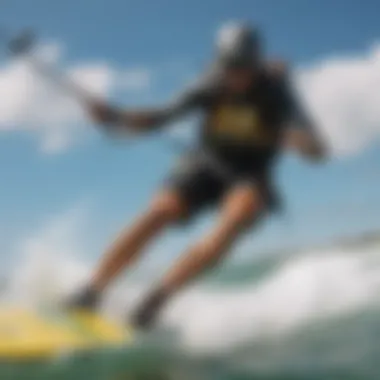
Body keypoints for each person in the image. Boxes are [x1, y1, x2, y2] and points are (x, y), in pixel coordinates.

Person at [68, 21, 326, 329]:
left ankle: (155, 302)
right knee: (160, 211)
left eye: (243, 66)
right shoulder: (210, 84)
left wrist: (294, 138)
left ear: (256, 63)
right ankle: (91, 291)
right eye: (229, 66)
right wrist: (116, 117)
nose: (235, 75)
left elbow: (318, 151)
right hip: (204, 164)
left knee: (238, 216)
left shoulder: (277, 91)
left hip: (248, 174)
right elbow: (159, 118)